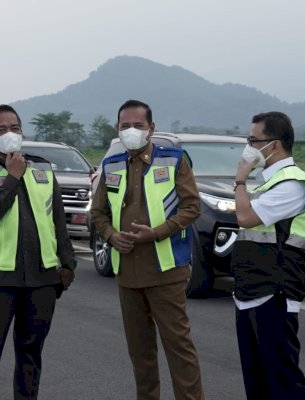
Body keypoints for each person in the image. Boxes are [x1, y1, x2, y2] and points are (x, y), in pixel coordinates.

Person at [90, 99, 205, 400]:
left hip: (166, 270)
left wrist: (155, 233)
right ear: (117, 129)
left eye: (138, 126)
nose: (131, 131)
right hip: (128, 273)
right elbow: (98, 213)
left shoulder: (174, 160)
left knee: (179, 350)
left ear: (151, 128)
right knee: (140, 355)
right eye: (125, 126)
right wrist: (112, 236)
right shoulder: (111, 165)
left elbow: (192, 208)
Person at [0, 104, 76, 400]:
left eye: (14, 128)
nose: (10, 134)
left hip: (41, 280)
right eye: (1, 130)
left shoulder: (42, 168)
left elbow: (57, 219)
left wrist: (68, 265)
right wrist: (13, 176)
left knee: (30, 355)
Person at [230, 111, 305, 400]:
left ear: (274, 144)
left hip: (275, 294)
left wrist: (240, 181)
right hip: (253, 291)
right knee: (258, 384)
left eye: (254, 140)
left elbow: (245, 217)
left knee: (282, 383)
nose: (249, 147)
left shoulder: (292, 183)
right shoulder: (272, 181)